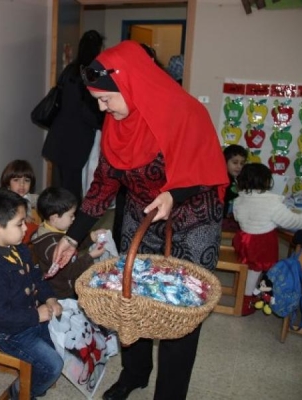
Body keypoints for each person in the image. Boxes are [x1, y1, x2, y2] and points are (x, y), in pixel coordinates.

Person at [51, 40, 229, 400]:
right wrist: (71, 238)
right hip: (142, 214)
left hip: (192, 217)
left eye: (106, 99)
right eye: (98, 100)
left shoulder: (186, 113)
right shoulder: (116, 123)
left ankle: (169, 394)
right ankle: (135, 373)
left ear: (130, 83)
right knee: (130, 298)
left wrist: (173, 194)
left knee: (178, 309)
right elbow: (103, 186)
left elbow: (207, 167)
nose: (102, 108)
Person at [0, 188, 63, 399]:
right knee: (53, 366)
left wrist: (49, 298)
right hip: (7, 333)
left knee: (58, 354)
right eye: (20, 224)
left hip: (30, 319)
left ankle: (29, 386)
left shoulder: (17, 247)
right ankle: (18, 393)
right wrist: (36, 315)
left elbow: (36, 277)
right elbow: (1, 315)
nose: (26, 228)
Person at [232, 163, 302, 316]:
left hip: (244, 240)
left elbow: (238, 217)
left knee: (251, 270)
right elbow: (291, 222)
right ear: (266, 181)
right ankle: (248, 300)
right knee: (258, 271)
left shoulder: (239, 200)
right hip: (262, 243)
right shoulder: (271, 202)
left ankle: (249, 296)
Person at [42, 30, 105, 203]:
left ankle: (59, 215)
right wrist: (103, 123)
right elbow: (88, 112)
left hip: (59, 134)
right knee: (72, 187)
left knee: (62, 184)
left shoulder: (70, 70)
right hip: (78, 138)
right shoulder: (92, 73)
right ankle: (69, 218)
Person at [31, 186, 108, 299]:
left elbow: (72, 246)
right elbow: (69, 271)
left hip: (68, 286)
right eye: (71, 215)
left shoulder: (58, 229)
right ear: (55, 218)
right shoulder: (51, 245)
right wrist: (90, 256)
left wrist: (91, 237)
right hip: (61, 293)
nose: (74, 219)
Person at [222, 144, 248, 222]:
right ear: (225, 162)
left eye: (242, 163)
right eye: (235, 162)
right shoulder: (223, 181)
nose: (239, 166)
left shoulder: (238, 180)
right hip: (223, 220)